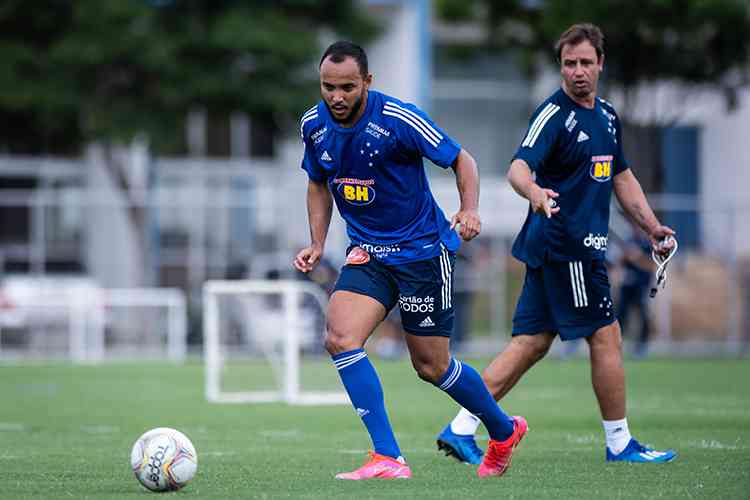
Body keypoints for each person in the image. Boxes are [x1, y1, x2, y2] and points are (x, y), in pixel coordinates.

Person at [436, 23, 677, 465]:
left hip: (563, 249)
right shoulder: (553, 114)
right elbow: (517, 169)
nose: (578, 71)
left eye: (586, 62)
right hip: (568, 247)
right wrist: (535, 194)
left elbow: (620, 177)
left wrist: (651, 226)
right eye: (570, 63)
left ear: (601, 64)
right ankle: (620, 442)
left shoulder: (606, 116)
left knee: (531, 343)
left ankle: (460, 427)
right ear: (560, 67)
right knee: (606, 336)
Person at [294, 41, 525, 480]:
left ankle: (502, 429)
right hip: (367, 253)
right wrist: (317, 242)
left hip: (422, 254)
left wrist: (470, 209)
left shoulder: (398, 118)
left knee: (431, 366)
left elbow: (462, 159)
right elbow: (318, 183)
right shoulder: (313, 124)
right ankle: (387, 457)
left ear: (367, 82)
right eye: (328, 87)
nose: (336, 97)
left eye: (346, 87)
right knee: (340, 337)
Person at [616, 223, 656, 358]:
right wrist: (625, 256)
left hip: (642, 286)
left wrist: (637, 257)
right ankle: (616, 345)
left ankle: (642, 346)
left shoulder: (649, 244)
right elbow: (619, 262)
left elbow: (652, 265)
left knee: (643, 316)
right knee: (621, 315)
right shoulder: (628, 241)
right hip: (627, 285)